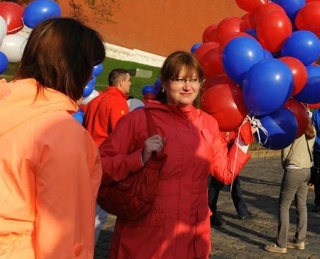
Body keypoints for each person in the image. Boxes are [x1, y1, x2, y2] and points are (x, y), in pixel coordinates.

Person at [99, 51, 254, 258]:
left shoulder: (208, 124)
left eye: (194, 80)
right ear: (164, 82)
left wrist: (243, 141)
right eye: (179, 79)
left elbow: (225, 173)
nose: (187, 87)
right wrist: (138, 158)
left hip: (193, 233)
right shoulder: (139, 120)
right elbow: (99, 166)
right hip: (148, 235)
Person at [0, 17, 105, 258]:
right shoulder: (62, 132)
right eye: (89, 67)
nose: (90, 78)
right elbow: (63, 235)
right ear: (75, 67)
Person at [83, 68, 132, 243]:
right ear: (121, 83)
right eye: (128, 81)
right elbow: (121, 136)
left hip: (87, 159)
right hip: (104, 164)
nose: (130, 84)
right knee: (98, 215)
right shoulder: (117, 103)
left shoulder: (95, 101)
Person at [265, 118, 316, 253]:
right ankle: (300, 240)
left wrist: (284, 166)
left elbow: (285, 151)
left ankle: (281, 243)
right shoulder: (312, 130)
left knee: (284, 205)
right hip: (306, 169)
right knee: (301, 205)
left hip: (294, 168)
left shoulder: (294, 130)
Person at [208, 130, 254, 226]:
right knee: (217, 184)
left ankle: (242, 211)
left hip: (231, 145)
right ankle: (211, 215)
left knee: (234, 182)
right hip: (221, 146)